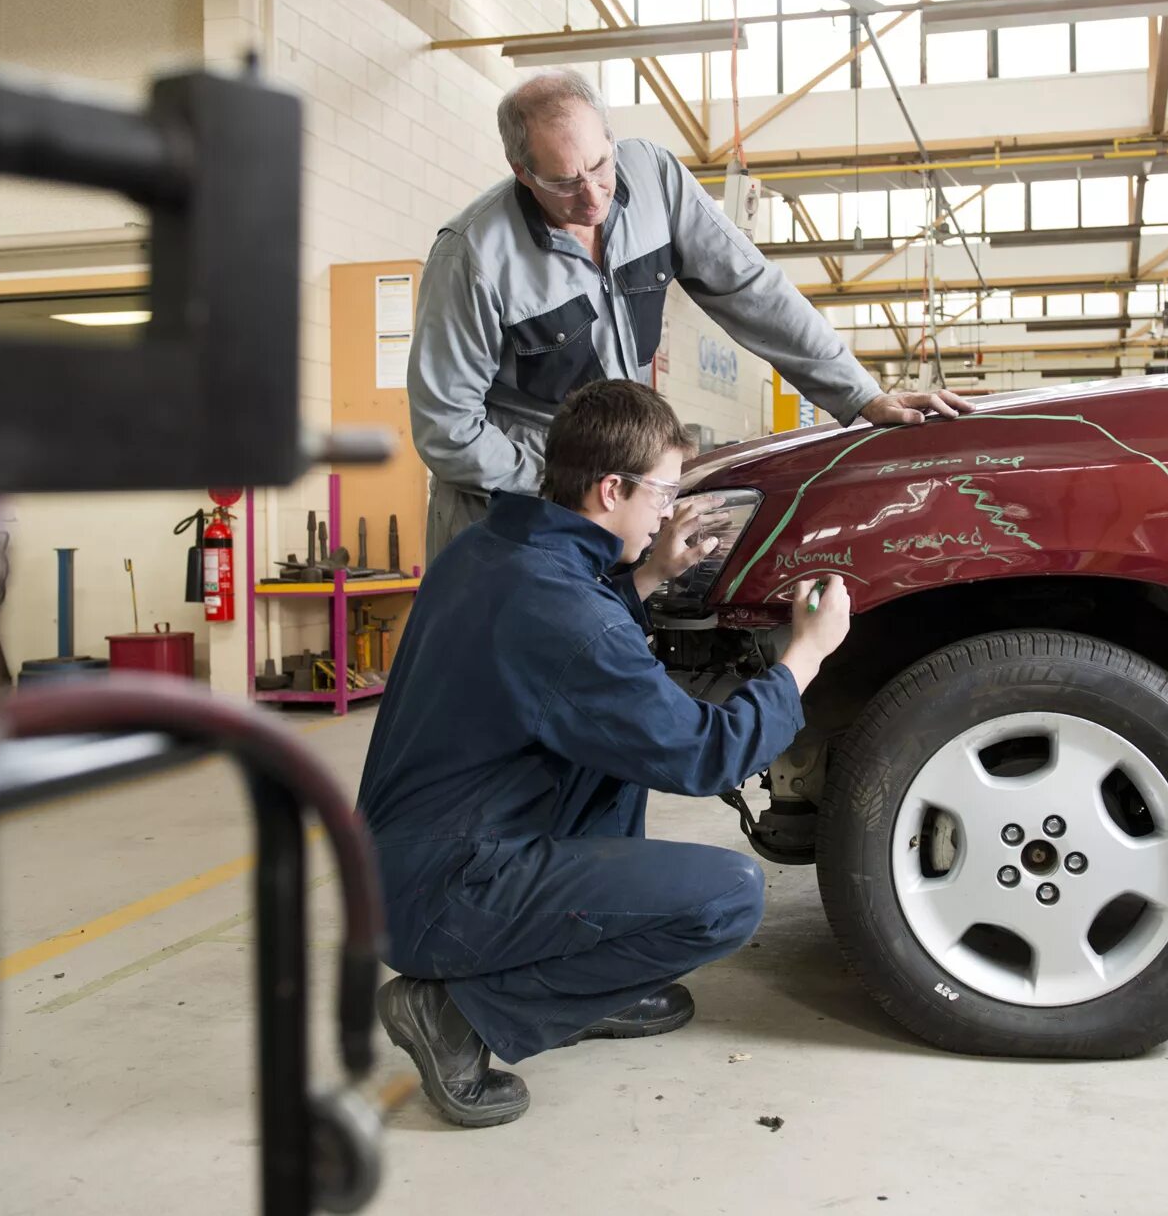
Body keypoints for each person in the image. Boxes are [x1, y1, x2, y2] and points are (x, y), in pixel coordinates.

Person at [357, 379, 854, 1128]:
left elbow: (566, 650)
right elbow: (702, 755)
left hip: (403, 863)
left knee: (615, 752)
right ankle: (458, 1011)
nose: (668, 509)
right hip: (445, 893)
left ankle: (583, 986)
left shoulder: (491, 548)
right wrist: (804, 658)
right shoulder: (566, 611)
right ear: (610, 486)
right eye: (661, 492)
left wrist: (649, 572)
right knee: (727, 897)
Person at [408, 66, 972, 563]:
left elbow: (752, 288)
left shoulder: (653, 178)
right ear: (521, 171)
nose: (592, 197)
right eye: (563, 182)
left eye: (600, 166)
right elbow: (447, 428)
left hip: (609, 498)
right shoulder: (473, 256)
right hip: (506, 517)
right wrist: (568, 488)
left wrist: (860, 394)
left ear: (610, 134)